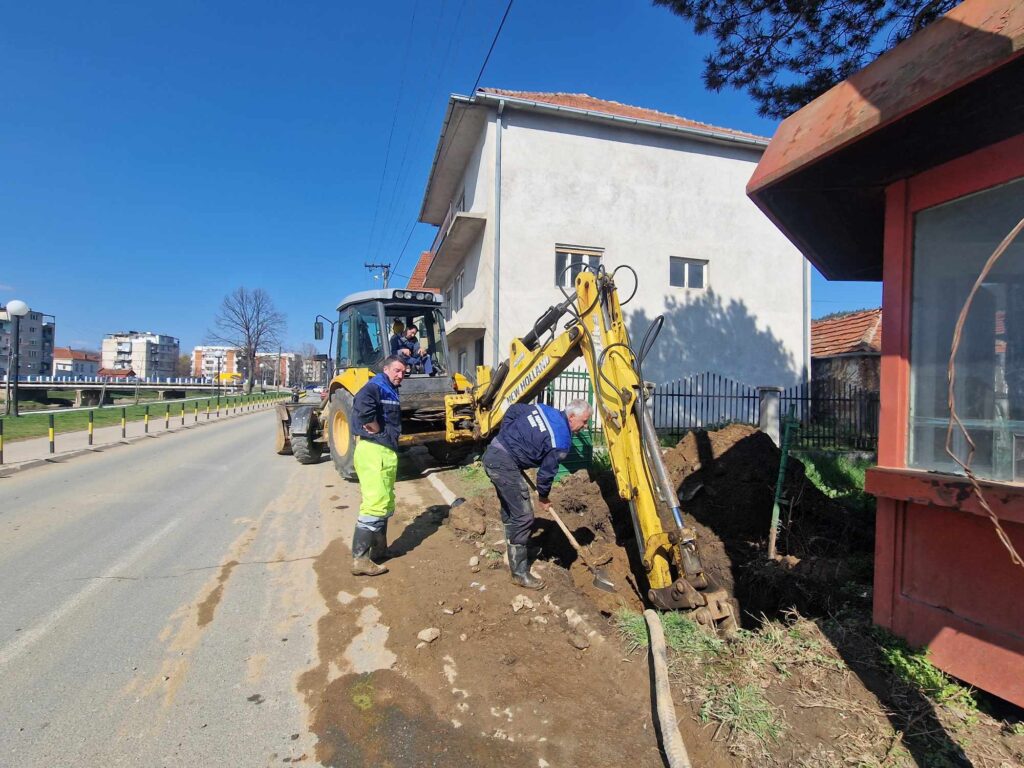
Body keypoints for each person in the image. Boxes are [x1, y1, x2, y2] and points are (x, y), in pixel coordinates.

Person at [481, 399, 593, 589]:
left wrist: (505, 435)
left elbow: (514, 409)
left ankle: (519, 553)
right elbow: (546, 473)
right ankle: (518, 573)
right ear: (572, 417)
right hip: (503, 464)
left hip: (495, 453)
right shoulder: (562, 440)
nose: (585, 426)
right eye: (584, 421)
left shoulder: (544, 409)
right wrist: (543, 497)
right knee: (524, 516)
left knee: (512, 511)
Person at [350, 355, 406, 576]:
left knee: (385, 501)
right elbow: (364, 411)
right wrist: (377, 430)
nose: (400, 375)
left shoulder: (390, 388)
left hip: (384, 452)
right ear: (386, 369)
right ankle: (360, 560)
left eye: (403, 372)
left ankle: (379, 550)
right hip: (375, 451)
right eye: (397, 370)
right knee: (375, 504)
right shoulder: (374, 387)